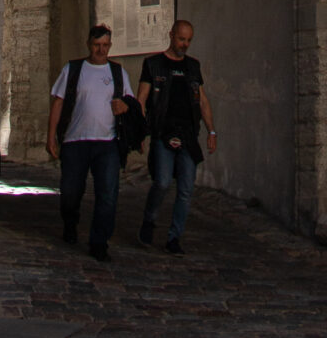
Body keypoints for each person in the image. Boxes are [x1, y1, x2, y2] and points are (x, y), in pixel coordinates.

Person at [47, 24, 136, 261]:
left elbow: (131, 103)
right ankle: (70, 223)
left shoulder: (118, 73)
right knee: (70, 193)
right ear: (89, 44)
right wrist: (51, 136)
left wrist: (125, 106)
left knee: (107, 194)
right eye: (97, 45)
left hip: (107, 143)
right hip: (75, 141)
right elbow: (58, 102)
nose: (101, 50)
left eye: (105, 45)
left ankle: (99, 242)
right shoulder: (74, 69)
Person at [136, 19, 216, 252]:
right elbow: (142, 99)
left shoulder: (193, 67)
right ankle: (149, 220)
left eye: (189, 40)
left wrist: (211, 130)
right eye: (181, 39)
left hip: (188, 135)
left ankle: (174, 238)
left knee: (186, 188)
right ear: (171, 35)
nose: (185, 44)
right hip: (163, 132)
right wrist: (141, 131)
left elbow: (202, 100)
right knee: (161, 182)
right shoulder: (154, 64)